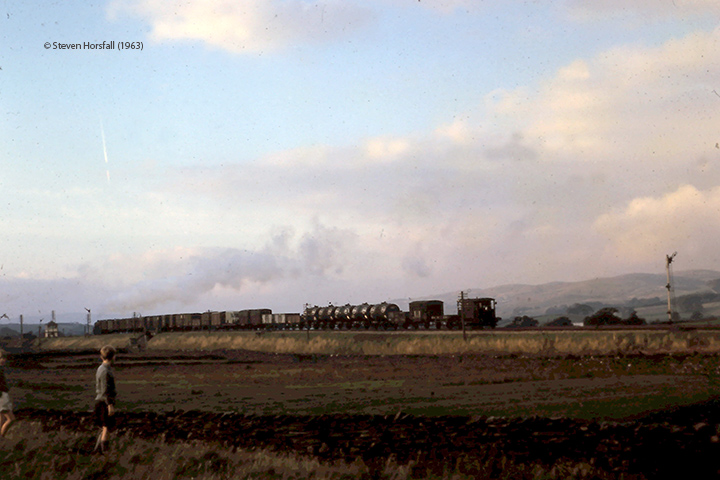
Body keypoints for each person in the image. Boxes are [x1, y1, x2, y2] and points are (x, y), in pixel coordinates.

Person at [94, 345, 117, 454]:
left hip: (102, 401)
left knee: (104, 428)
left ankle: (98, 450)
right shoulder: (105, 371)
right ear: (113, 357)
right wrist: (110, 405)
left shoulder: (101, 368)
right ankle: (104, 451)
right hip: (104, 402)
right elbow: (105, 390)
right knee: (106, 427)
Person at [0, 349, 16, 437]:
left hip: (2, 395)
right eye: (1, 358)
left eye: (4, 358)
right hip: (1, 396)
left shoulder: (1, 369)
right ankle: (1, 437)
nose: (4, 360)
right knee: (11, 419)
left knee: (1, 418)